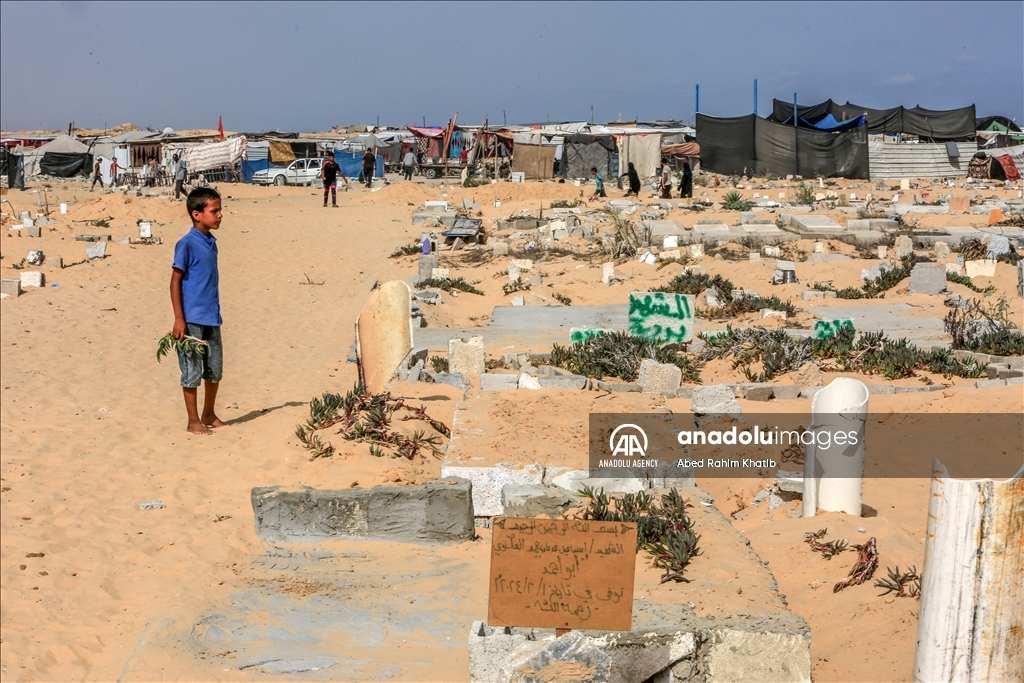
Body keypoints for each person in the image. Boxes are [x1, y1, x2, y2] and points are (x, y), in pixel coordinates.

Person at [170, 187, 225, 435]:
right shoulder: (187, 244)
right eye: (214, 211)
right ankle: (193, 421)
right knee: (192, 371)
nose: (220, 215)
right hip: (191, 320)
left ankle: (209, 413)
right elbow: (175, 281)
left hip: (212, 317)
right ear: (197, 214)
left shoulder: (211, 242)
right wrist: (179, 318)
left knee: (214, 370)